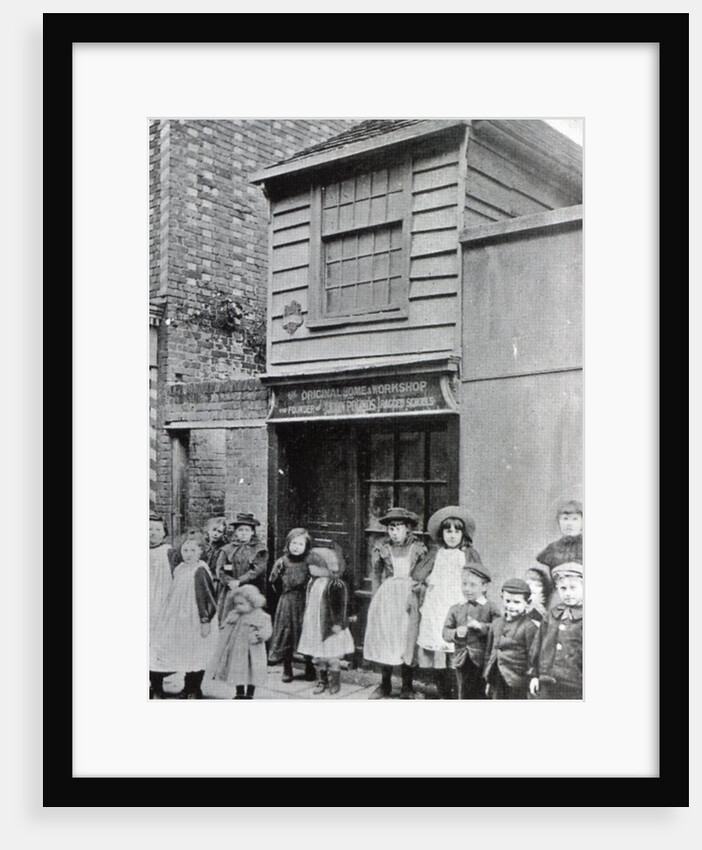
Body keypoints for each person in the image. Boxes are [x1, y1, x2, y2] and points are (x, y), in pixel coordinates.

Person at [409, 505, 482, 699]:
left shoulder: (467, 554)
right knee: (438, 651)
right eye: (447, 531)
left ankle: (457, 694)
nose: (452, 535)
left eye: (457, 531)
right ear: (442, 534)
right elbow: (417, 574)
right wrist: (427, 581)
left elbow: (479, 577)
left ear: (463, 534)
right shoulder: (436, 553)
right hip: (437, 607)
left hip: (457, 604)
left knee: (456, 650)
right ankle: (441, 692)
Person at [363, 508, 428, 699]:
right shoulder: (382, 547)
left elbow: (424, 575)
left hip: (410, 597)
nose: (394, 532)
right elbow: (376, 574)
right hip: (388, 596)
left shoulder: (417, 548)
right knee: (387, 637)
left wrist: (419, 596)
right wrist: (375, 599)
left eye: (398, 528)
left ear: (408, 529)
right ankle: (385, 684)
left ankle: (407, 686)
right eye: (391, 528)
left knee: (407, 638)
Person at [150, 534, 218, 699]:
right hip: (175, 616)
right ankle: (157, 688)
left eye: (193, 550)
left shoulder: (200, 570)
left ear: (201, 552)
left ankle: (192, 688)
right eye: (185, 550)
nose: (188, 554)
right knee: (162, 649)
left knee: (195, 652)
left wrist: (205, 620)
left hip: (194, 618)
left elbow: (208, 599)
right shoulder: (180, 568)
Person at [297, 543, 354, 696]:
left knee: (332, 654)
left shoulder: (334, 584)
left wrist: (338, 623)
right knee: (319, 655)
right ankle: (322, 680)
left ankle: (335, 681)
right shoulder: (313, 583)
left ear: (325, 566)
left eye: (314, 565)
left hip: (329, 627)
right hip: (315, 625)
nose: (310, 568)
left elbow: (340, 606)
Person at [268, 528, 323, 683]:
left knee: (306, 631)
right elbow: (273, 583)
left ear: (306, 546)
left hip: (305, 601)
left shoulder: (310, 561)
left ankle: (309, 665)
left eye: (300, 543)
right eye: (294, 543)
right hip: (288, 601)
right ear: (288, 543)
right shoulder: (282, 562)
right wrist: (284, 594)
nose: (296, 547)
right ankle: (287, 667)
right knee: (287, 633)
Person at [441, 564, 500, 699]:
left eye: (473, 585)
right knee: (464, 691)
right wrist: (455, 633)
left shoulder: (490, 607)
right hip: (462, 659)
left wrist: (481, 627)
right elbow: (445, 632)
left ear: (484, 587)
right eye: (464, 584)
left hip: (483, 660)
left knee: (482, 692)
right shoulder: (456, 608)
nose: (467, 589)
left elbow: (500, 629)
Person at [529, 562, 583, 700]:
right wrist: (535, 675)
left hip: (576, 685)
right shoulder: (552, 614)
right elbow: (538, 644)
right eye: (563, 588)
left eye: (573, 588)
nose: (568, 593)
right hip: (547, 682)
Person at [208, 584, 272, 699]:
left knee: (253, 671)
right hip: (237, 651)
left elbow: (267, 629)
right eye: (236, 604)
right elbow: (226, 628)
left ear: (253, 603)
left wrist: (260, 635)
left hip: (253, 651)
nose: (237, 607)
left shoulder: (260, 616)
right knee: (237, 671)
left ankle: (250, 693)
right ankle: (239, 692)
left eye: (241, 604)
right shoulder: (234, 615)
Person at [484, 578, 540, 699]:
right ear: (502, 598)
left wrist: (532, 677)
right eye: (507, 601)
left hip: (517, 681)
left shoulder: (529, 627)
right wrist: (488, 679)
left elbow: (534, 657)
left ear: (528, 602)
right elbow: (490, 652)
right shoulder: (496, 623)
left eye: (516, 602)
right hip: (496, 678)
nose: (511, 606)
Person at [216, 512, 268, 624]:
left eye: (246, 530)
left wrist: (239, 581)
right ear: (235, 532)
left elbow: (257, 569)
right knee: (229, 618)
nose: (243, 533)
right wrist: (229, 582)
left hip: (251, 590)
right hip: (230, 590)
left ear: (252, 532)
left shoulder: (259, 550)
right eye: (240, 530)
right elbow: (220, 569)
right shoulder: (227, 549)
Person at [149, 514, 174, 699]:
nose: (152, 533)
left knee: (158, 646)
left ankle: (157, 686)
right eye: (149, 529)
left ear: (164, 533)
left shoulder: (168, 552)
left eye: (157, 529)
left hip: (161, 604)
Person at [536, 500, 583, 572]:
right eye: (565, 519)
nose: (569, 524)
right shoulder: (552, 549)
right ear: (559, 521)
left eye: (575, 519)